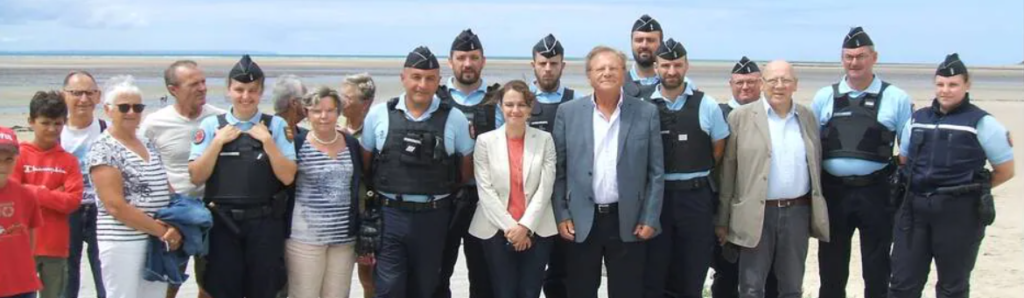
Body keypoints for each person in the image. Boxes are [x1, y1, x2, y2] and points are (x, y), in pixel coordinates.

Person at [888, 53, 1015, 298]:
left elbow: (1005, 171)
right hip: (913, 209)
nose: (945, 90)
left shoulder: (982, 122)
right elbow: (904, 160)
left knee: (952, 287)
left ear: (967, 85)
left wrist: (971, 189)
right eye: (940, 84)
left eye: (953, 84)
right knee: (902, 284)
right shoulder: (918, 119)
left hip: (959, 213)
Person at [362, 46, 474, 298]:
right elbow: (366, 164)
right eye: (416, 77)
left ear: (438, 81)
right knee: (389, 288)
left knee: (426, 288)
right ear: (403, 78)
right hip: (390, 216)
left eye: (430, 78)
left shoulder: (454, 118)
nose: (422, 85)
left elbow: (465, 169)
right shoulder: (378, 115)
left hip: (433, 219)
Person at [552, 45, 664, 298]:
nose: (607, 73)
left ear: (624, 73)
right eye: (600, 68)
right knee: (580, 290)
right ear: (589, 75)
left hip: (628, 220)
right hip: (582, 221)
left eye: (613, 68)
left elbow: (656, 173)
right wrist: (562, 214)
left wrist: (649, 218)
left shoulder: (646, 113)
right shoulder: (568, 113)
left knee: (628, 291)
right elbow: (558, 170)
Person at [810, 27, 914, 298]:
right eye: (849, 56)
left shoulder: (896, 98)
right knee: (831, 269)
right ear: (842, 59)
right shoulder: (824, 97)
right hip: (834, 194)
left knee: (877, 268)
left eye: (861, 56)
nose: (854, 62)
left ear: (874, 57)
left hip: (876, 194)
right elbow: (810, 146)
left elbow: (908, 150)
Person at [716, 60, 830, 298]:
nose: (779, 86)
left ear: (795, 85)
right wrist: (723, 219)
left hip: (798, 212)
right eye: (773, 80)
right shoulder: (740, 117)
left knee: (791, 288)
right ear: (762, 84)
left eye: (786, 80)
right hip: (756, 215)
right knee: (751, 288)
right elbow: (728, 173)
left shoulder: (806, 116)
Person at [188, 55, 298, 298]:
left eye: (252, 90)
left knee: (265, 289)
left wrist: (268, 142)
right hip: (222, 224)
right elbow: (196, 176)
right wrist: (217, 143)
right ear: (229, 90)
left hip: (264, 225)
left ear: (261, 93)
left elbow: (288, 176)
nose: (245, 96)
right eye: (239, 90)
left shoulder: (276, 126)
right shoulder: (210, 126)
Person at [641, 38, 729, 298]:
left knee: (692, 271)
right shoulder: (644, 106)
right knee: (655, 273)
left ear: (686, 65)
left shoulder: (707, 105)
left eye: (677, 65)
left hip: (696, 200)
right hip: (658, 199)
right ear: (656, 66)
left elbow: (718, 150)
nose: (671, 71)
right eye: (665, 65)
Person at [140, 60, 225, 298]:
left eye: (203, 82)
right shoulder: (154, 124)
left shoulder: (220, 119)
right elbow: (145, 167)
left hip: (213, 211)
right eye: (193, 84)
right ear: (172, 89)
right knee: (168, 283)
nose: (202, 88)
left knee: (210, 286)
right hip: (173, 216)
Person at [88, 75, 178, 298]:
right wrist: (162, 231)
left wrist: (176, 223)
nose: (131, 112)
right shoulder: (103, 148)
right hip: (123, 243)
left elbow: (165, 187)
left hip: (155, 242)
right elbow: (115, 205)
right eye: (124, 107)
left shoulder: (146, 143)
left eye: (137, 107)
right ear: (108, 110)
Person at [469, 80, 558, 298]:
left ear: (530, 108)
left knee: (530, 292)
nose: (515, 110)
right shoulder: (484, 142)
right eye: (509, 104)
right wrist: (512, 229)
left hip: (537, 228)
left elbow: (545, 189)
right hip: (496, 229)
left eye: (521, 105)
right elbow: (485, 190)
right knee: (503, 291)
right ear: (501, 106)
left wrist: (525, 227)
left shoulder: (545, 140)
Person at [433, 28, 498, 298]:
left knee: (484, 278)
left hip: (485, 199)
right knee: (437, 273)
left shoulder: (499, 100)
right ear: (450, 61)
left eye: (473, 57)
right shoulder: (435, 99)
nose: (467, 64)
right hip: (444, 198)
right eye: (461, 58)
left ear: (483, 60)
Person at [284, 86, 363, 298]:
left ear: (339, 112)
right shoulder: (297, 144)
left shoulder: (351, 144)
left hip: (344, 240)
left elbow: (360, 186)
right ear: (307, 113)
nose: (324, 116)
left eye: (330, 110)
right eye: (317, 111)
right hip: (305, 239)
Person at [711, 57, 780, 298]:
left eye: (751, 82)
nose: (745, 87)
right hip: (724, 204)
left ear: (761, 83)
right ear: (730, 83)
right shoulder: (717, 113)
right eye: (739, 82)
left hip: (760, 207)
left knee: (768, 275)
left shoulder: (772, 116)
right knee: (725, 272)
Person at [9, 91, 84, 298]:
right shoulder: (18, 155)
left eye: (58, 124)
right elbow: (13, 196)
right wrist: (51, 194)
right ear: (31, 122)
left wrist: (33, 191)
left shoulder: (69, 161)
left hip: (56, 246)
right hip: (23, 245)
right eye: (45, 123)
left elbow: (72, 201)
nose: (52, 129)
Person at [525, 34, 577, 298]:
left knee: (564, 273)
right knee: (529, 273)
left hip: (566, 200)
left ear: (562, 66)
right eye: (543, 63)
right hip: (529, 201)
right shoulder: (518, 102)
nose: (548, 69)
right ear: (533, 64)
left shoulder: (577, 101)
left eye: (553, 63)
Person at [60, 71, 108, 298]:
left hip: (104, 211)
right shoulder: (55, 132)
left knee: (105, 275)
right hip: (66, 213)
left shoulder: (108, 130)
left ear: (98, 96)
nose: (83, 99)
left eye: (89, 93)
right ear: (64, 96)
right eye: (76, 93)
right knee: (67, 277)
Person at [340, 73, 378, 298]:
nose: (340, 101)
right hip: (341, 213)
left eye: (347, 97)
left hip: (367, 213)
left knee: (369, 277)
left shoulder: (374, 133)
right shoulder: (336, 128)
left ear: (365, 103)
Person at [0, 126, 45, 298]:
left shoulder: (26, 195)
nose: (2, 166)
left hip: (21, 285)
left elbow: (31, 241)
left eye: (8, 159)